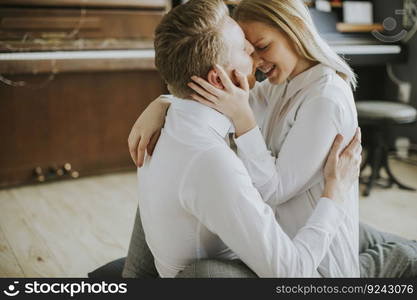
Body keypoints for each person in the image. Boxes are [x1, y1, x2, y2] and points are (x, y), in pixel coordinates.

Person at [127, 0, 417, 278]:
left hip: (317, 255)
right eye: (246, 49)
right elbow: (214, 98)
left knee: (402, 254)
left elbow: (273, 189)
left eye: (261, 46)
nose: (254, 59)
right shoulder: (280, 86)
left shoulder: (325, 97)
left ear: (296, 28)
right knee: (387, 243)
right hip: (288, 228)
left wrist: (335, 192)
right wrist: (166, 101)